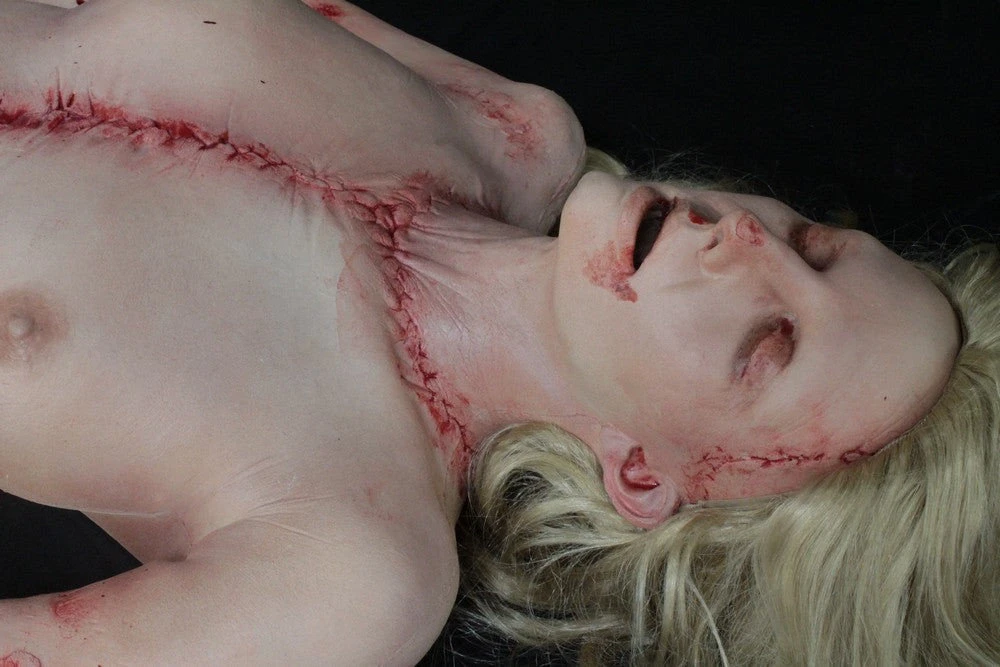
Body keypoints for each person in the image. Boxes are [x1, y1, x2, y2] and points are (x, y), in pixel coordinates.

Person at [0, 1, 993, 665]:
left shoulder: (357, 571)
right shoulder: (515, 126)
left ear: (641, 474)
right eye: (814, 244)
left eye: (770, 339)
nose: (748, 238)